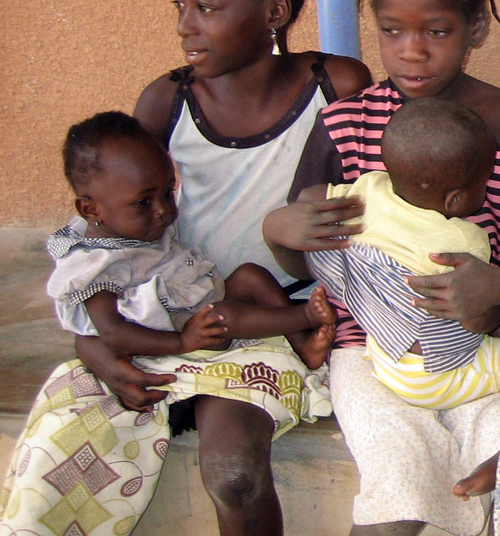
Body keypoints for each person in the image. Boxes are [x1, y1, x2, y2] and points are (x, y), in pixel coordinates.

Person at [0, 0, 370, 536]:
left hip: (272, 322)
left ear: (274, 13)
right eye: (179, 6)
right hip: (163, 320)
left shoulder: (336, 87)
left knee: (233, 471)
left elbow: (363, 213)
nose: (184, 26)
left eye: (205, 7)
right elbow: (109, 237)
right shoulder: (166, 101)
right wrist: (95, 347)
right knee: (61, 460)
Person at [262, 0, 500, 536]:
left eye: (436, 31)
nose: (412, 52)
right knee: (395, 479)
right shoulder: (347, 122)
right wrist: (280, 231)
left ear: (475, 29)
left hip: (481, 344)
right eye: (392, 31)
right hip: (369, 347)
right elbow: (308, 259)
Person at [285, 97, 500, 424]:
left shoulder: (368, 188)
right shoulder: (462, 240)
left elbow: (308, 197)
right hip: (436, 376)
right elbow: (477, 318)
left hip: (385, 351)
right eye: (483, 183)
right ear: (455, 200)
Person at [51, 111, 337, 371]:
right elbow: (112, 332)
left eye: (168, 193)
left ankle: (303, 345)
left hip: (198, 309)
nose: (163, 210)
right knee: (222, 316)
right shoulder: (94, 265)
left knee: (250, 276)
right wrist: (182, 341)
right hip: (170, 339)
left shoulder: (145, 228)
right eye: (143, 202)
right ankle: (305, 316)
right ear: (91, 210)